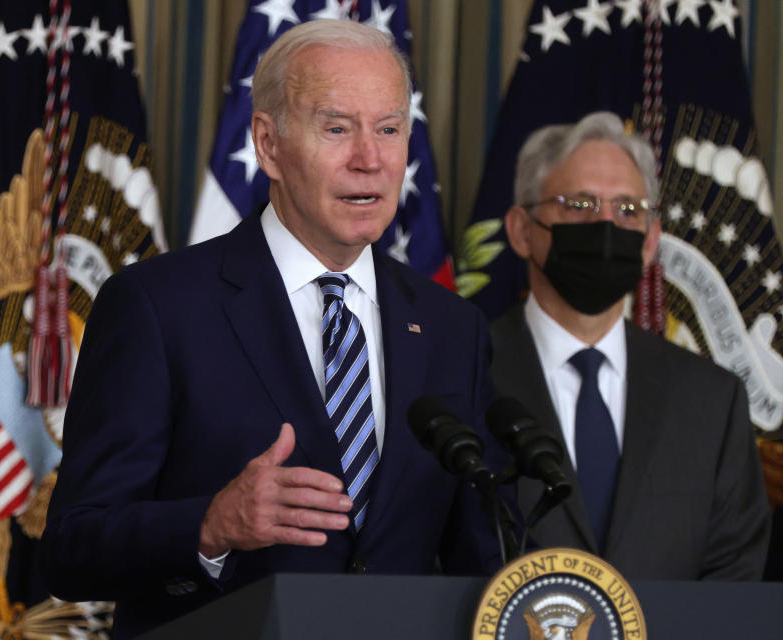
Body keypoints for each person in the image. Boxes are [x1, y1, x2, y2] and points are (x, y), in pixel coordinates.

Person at [41, 20, 503, 639]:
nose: (370, 159)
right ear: (268, 145)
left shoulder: (453, 328)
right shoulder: (157, 306)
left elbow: (480, 559)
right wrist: (209, 525)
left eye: (389, 129)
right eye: (337, 128)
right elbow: (72, 548)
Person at [490, 111, 770, 580]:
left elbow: (732, 581)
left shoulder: (712, 402)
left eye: (627, 211)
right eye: (579, 205)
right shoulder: (464, 373)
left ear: (650, 241)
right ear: (522, 230)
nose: (605, 226)